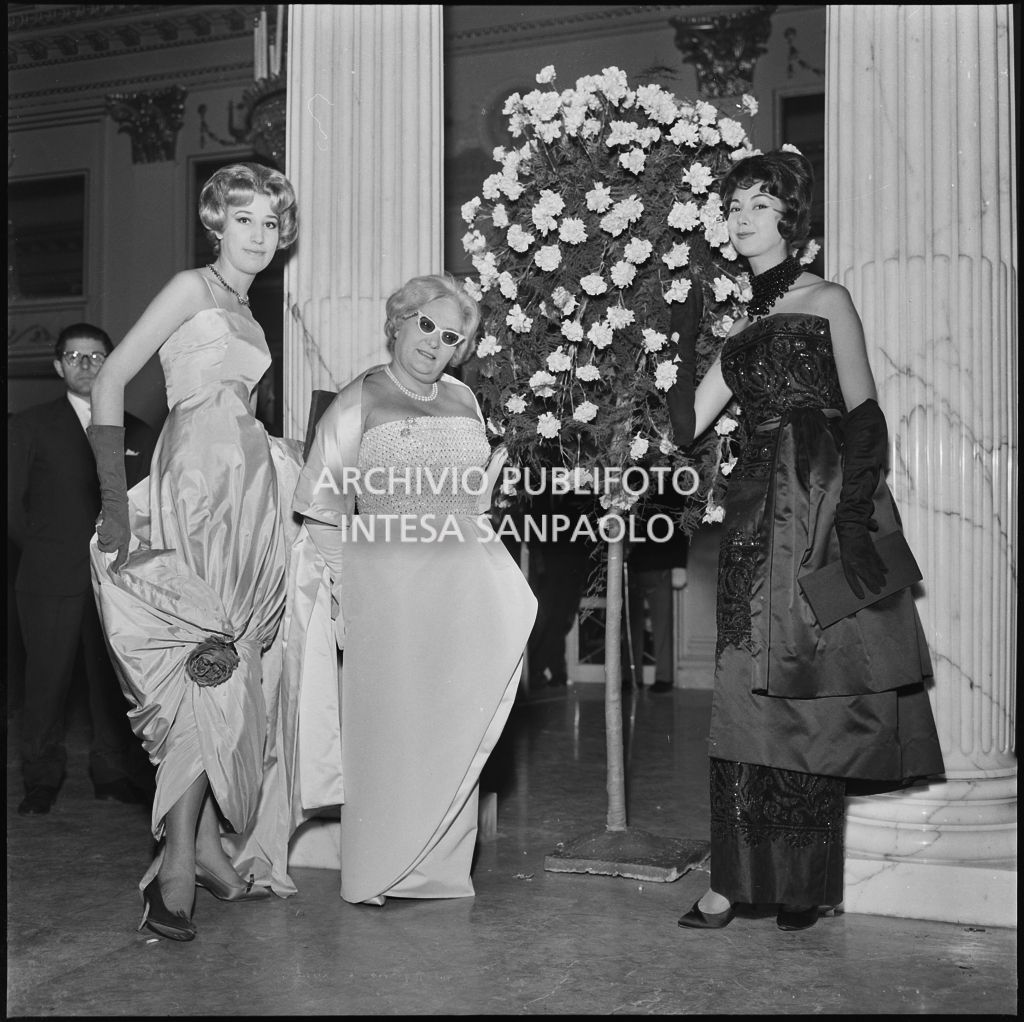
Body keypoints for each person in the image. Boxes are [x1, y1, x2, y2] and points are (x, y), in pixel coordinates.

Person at [665, 149, 944, 932]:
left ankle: (801, 884)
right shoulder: (739, 328)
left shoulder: (827, 297)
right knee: (742, 691)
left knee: (811, 694)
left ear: (791, 216)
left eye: (759, 203)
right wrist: (678, 333)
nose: (742, 217)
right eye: (732, 206)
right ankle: (731, 881)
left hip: (818, 507)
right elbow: (687, 424)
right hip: (754, 517)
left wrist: (852, 524)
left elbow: (864, 415)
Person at [87, 163, 303, 941]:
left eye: (272, 224)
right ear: (216, 223)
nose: (260, 235)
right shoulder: (191, 288)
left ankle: (207, 846)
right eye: (244, 219)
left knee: (230, 668)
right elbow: (111, 380)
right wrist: (116, 498)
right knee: (201, 663)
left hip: (245, 495)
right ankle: (177, 865)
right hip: (193, 489)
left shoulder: (248, 308)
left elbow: (235, 407)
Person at [289, 272, 537, 904]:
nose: (435, 342)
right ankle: (380, 869)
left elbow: (471, 500)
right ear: (399, 322)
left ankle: (440, 872)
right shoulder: (360, 398)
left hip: (459, 586)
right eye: (426, 324)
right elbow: (319, 505)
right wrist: (352, 588)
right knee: (390, 734)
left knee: (458, 724)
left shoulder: (464, 400)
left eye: (451, 335)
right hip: (387, 589)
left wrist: (483, 499)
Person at [8, 323, 157, 816]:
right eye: (75, 357)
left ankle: (112, 773)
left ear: (112, 363)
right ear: (58, 366)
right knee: (46, 681)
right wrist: (48, 552)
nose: (86, 365)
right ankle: (41, 777)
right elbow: (12, 507)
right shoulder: (29, 425)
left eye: (97, 357)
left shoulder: (138, 431)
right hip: (50, 577)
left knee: (113, 684)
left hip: (118, 578)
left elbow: (149, 506)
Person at [622, 505, 688, 693]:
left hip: (658, 564)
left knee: (659, 625)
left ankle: (660, 678)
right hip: (636, 564)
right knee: (633, 625)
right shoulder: (632, 485)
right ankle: (634, 677)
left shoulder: (665, 487)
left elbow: (679, 526)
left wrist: (679, 565)